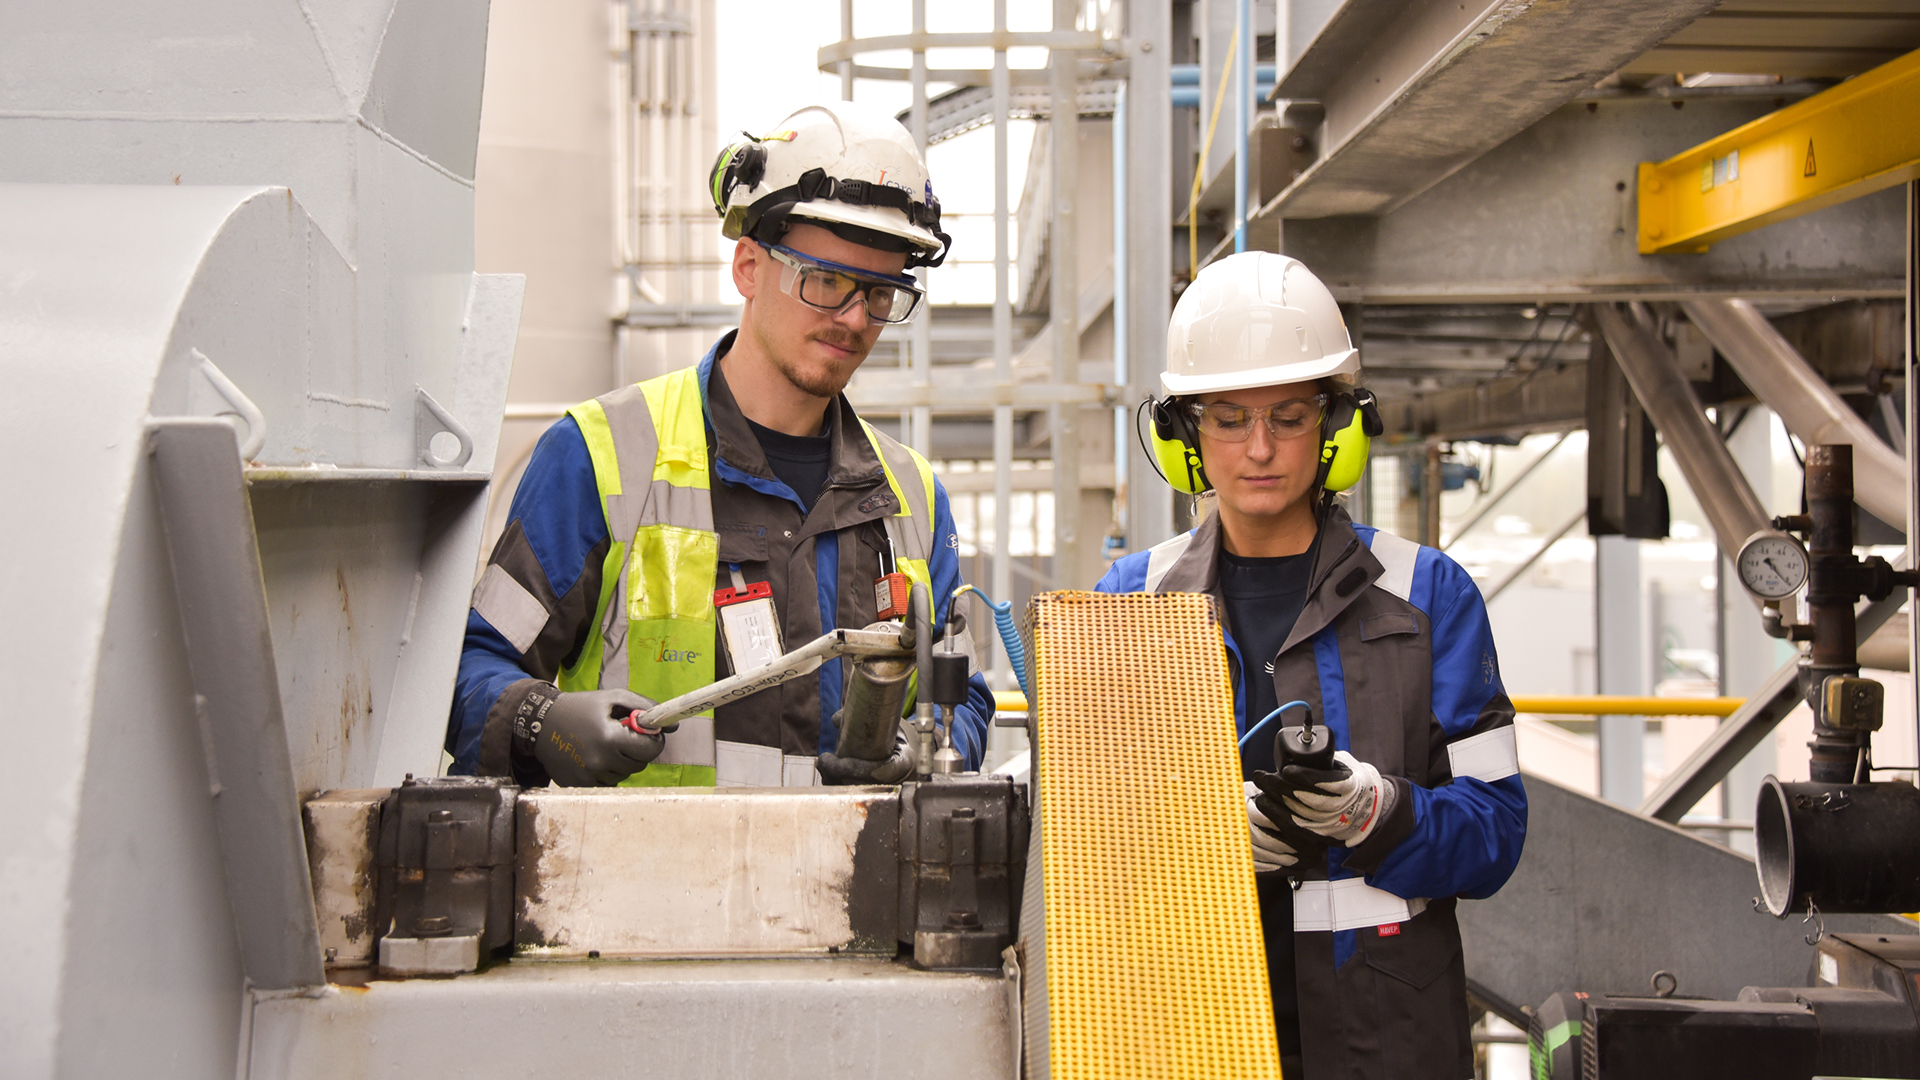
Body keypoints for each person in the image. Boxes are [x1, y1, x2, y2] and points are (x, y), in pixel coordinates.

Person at [447, 102, 993, 789]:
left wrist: (925, 754)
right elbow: (471, 667)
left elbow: (961, 697)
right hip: (642, 888)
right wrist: (542, 720)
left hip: (854, 891)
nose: (854, 318)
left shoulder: (912, 496)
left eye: (881, 292)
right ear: (748, 267)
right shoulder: (601, 457)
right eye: (826, 281)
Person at [1095, 252, 1527, 1078]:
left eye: (1289, 417)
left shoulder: (1426, 594)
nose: (1259, 449)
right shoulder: (1131, 601)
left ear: (1334, 427)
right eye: (1228, 418)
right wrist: (1205, 838)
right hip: (1187, 1031)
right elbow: (1093, 841)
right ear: (1185, 434)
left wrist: (1380, 814)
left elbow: (1497, 833)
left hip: (1388, 1044)